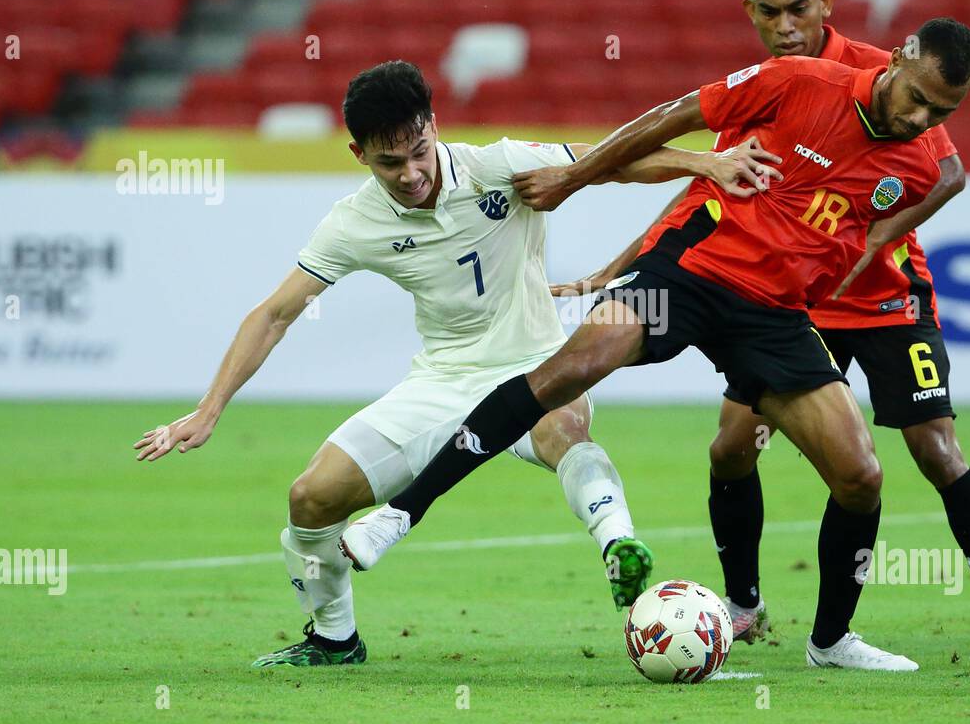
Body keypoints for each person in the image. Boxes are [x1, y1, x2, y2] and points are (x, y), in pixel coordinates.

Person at [357, 18, 970, 672]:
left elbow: (943, 178)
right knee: (571, 371)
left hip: (774, 316)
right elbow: (669, 118)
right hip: (689, 269)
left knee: (861, 476)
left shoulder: (916, 164)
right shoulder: (798, 80)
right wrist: (577, 179)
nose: (921, 118)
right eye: (917, 97)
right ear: (896, 61)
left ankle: (829, 642)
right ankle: (399, 513)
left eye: (941, 111)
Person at [131, 60, 780, 668]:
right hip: (442, 381)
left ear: (433, 127)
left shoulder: (497, 165)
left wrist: (707, 162)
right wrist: (210, 408)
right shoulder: (353, 223)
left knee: (563, 427)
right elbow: (275, 312)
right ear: (358, 155)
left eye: (418, 151)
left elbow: (611, 162)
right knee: (311, 498)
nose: (411, 172)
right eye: (390, 163)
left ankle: (619, 545)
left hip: (538, 361)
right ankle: (333, 639)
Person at [554, 0, 970, 662]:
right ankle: (743, 605)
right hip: (790, 300)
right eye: (770, 13)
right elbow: (706, 189)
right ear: (751, 10)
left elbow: (948, 174)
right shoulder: (771, 84)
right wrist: (616, 268)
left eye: (798, 11)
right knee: (731, 449)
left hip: (881, 297)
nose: (785, 27)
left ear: (825, 4)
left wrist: (878, 238)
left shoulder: (887, 75)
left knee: (934, 451)